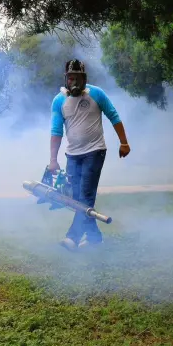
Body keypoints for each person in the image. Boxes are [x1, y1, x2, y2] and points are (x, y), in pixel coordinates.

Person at [49, 59, 131, 250]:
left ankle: (73, 237)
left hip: (95, 152)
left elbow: (114, 116)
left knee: (85, 194)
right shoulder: (59, 100)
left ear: (84, 78)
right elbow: (56, 131)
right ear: (66, 79)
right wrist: (53, 159)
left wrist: (124, 142)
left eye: (78, 77)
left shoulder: (96, 94)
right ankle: (94, 236)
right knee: (77, 197)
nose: (74, 82)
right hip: (72, 155)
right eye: (71, 78)